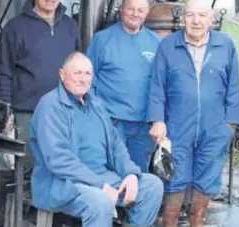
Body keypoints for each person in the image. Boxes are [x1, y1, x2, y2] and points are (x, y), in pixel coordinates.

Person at [29, 52, 164, 227]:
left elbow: (116, 146)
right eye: (77, 73)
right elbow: (58, 160)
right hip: (63, 184)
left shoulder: (96, 105)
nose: (83, 79)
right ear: (62, 74)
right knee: (100, 202)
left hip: (103, 178)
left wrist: (131, 173)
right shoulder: (50, 106)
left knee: (151, 186)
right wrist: (101, 185)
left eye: (87, 74)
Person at [146, 0, 239, 227]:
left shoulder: (225, 45)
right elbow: (157, 86)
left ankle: (197, 222)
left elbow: (234, 88)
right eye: (190, 15)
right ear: (182, 19)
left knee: (206, 181)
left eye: (202, 15)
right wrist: (157, 120)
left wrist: (229, 125)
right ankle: (169, 223)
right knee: (175, 180)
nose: (196, 21)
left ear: (211, 18)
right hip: (177, 126)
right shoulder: (169, 45)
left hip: (214, 127)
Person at [0, 0, 81, 173]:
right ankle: (26, 206)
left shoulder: (70, 26)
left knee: (61, 167)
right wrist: (6, 113)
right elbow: (3, 72)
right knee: (26, 169)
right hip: (27, 113)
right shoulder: (14, 28)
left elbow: (79, 68)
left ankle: (51, 205)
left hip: (63, 110)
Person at [86, 0, 161, 173]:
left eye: (140, 10)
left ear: (147, 13)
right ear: (121, 10)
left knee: (138, 174)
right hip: (112, 122)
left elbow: (162, 84)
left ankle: (134, 202)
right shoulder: (102, 39)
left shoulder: (156, 42)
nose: (135, 14)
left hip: (144, 126)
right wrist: (97, 115)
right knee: (110, 172)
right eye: (131, 9)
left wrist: (158, 120)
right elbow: (87, 79)